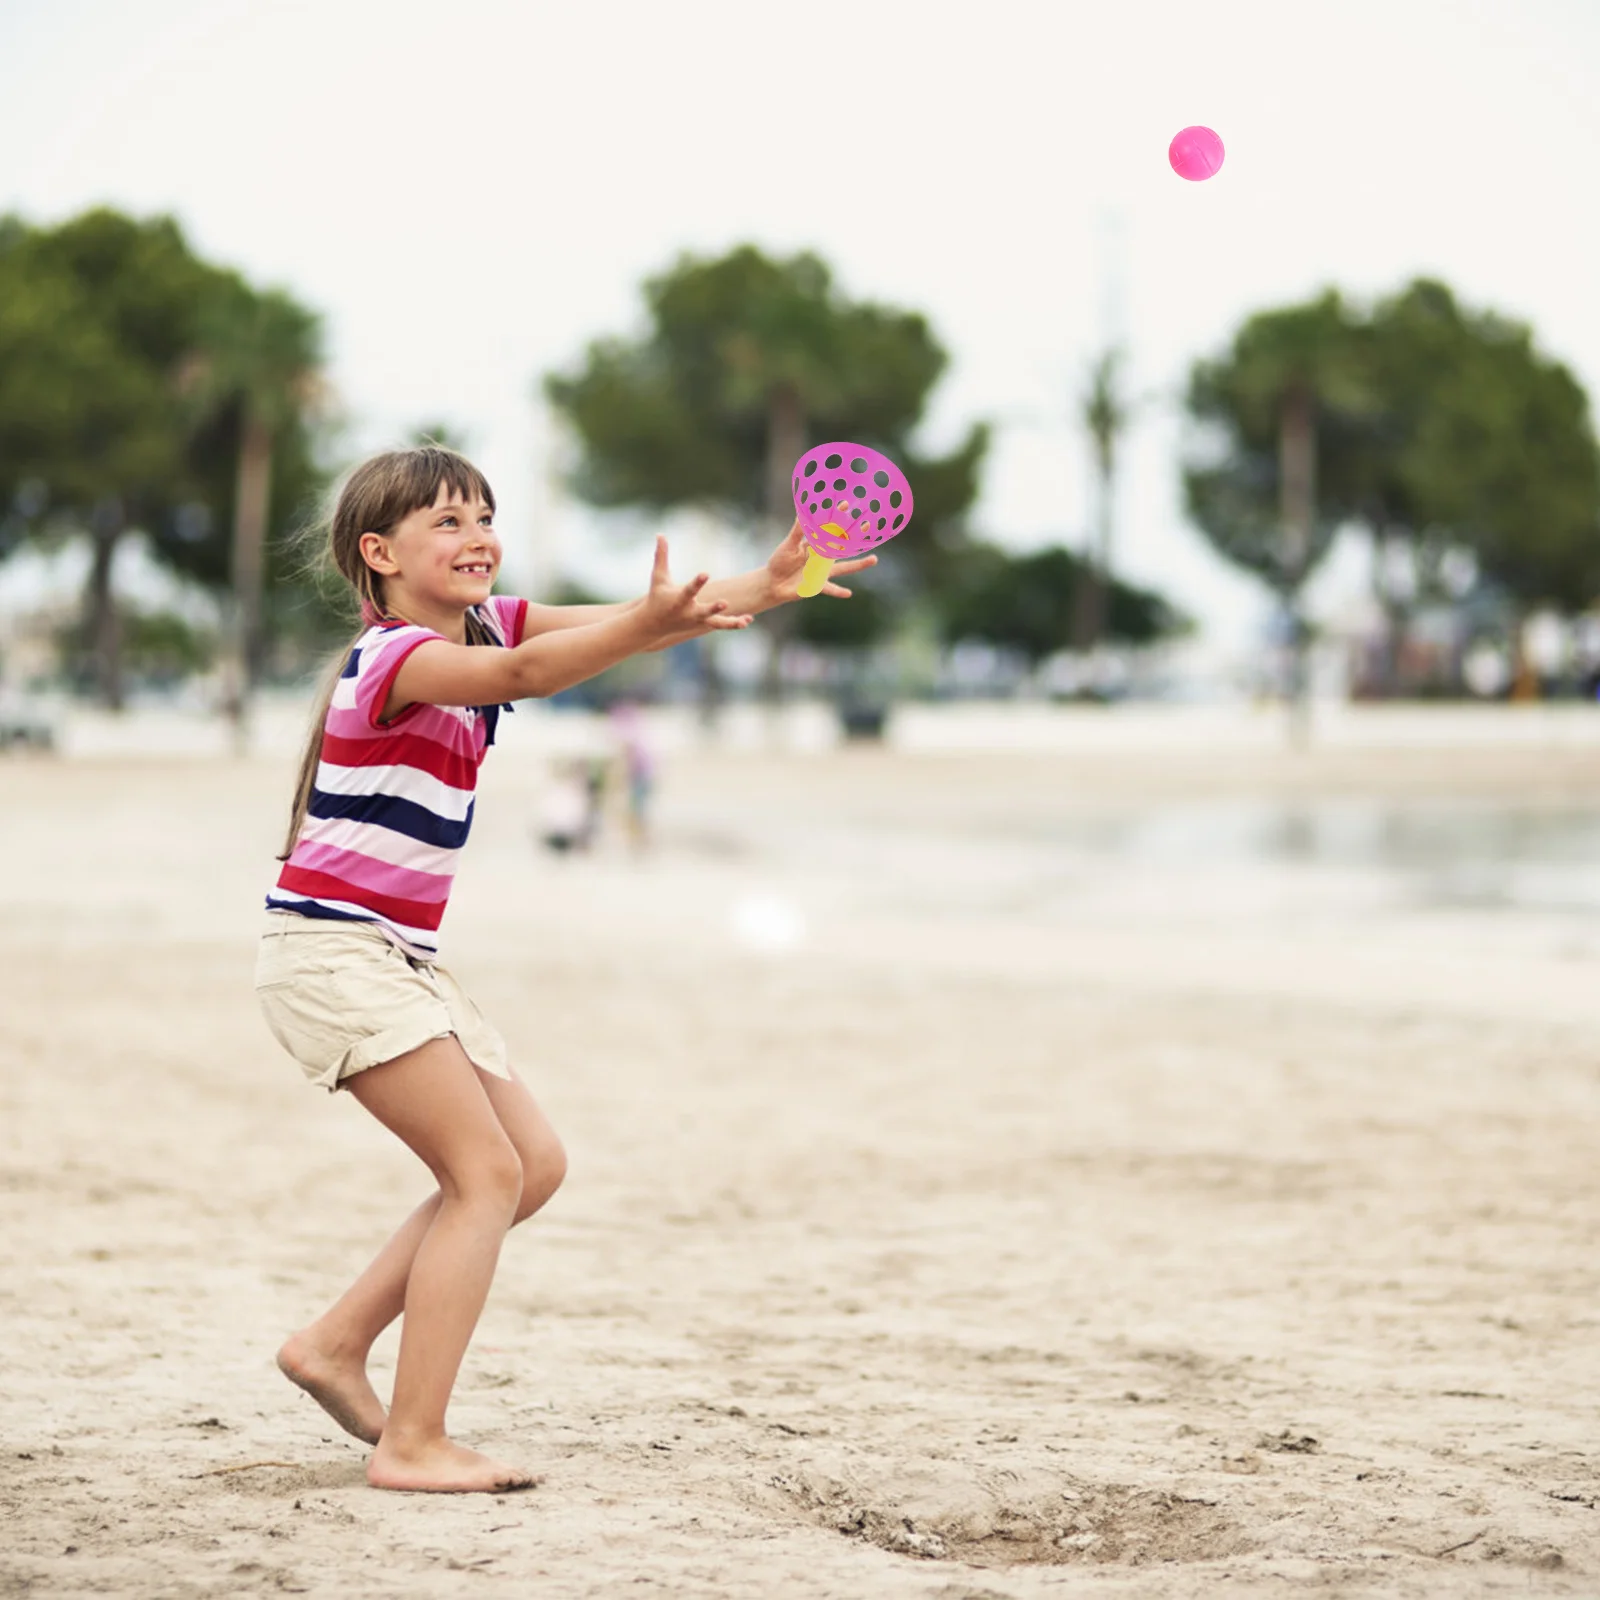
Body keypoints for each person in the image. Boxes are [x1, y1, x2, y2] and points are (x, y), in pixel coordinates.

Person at [256, 446, 873, 1494]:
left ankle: (334, 1342)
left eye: (484, 517)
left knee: (529, 1165)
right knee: (484, 1174)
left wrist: (770, 585)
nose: (478, 537)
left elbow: (640, 614)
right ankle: (413, 1442)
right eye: (447, 521)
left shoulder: (487, 623)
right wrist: (653, 624)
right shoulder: (396, 658)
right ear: (380, 553)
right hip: (332, 954)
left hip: (394, 956)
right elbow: (529, 676)